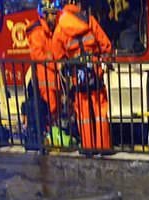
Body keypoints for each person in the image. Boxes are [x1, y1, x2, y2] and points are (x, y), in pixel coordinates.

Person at [53, 0, 113, 153]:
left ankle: (88, 147)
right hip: (94, 70)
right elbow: (105, 44)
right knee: (100, 110)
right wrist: (104, 59)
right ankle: (103, 147)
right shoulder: (89, 20)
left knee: (84, 113)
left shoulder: (60, 28)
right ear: (78, 6)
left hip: (77, 74)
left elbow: (58, 55)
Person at [26, 0, 65, 141]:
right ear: (44, 14)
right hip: (46, 78)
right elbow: (38, 54)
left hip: (53, 77)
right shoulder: (37, 32)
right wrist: (56, 63)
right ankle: (51, 137)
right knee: (51, 108)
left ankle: (55, 135)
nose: (55, 17)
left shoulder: (49, 31)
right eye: (52, 15)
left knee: (57, 109)